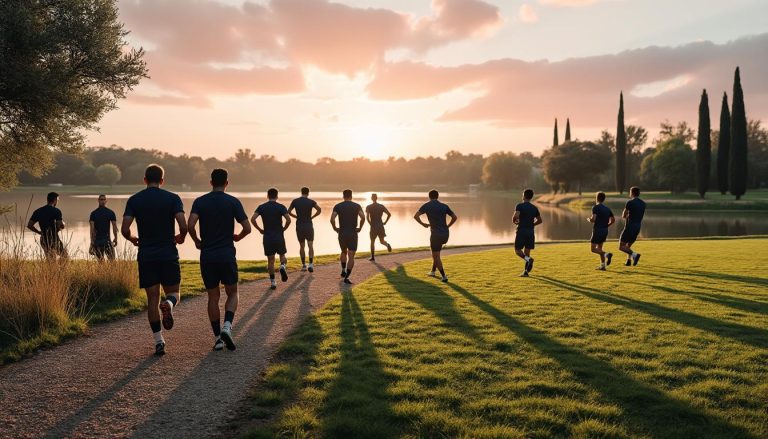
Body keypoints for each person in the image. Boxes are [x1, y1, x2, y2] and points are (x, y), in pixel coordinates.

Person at [121, 164, 187, 356]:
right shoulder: (173, 198)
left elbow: (125, 229)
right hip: (167, 253)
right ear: (162, 180)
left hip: (146, 255)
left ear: (144, 179)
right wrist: (181, 237)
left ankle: (159, 342)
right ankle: (170, 304)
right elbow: (183, 224)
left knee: (152, 299)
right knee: (174, 292)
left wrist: (133, 238)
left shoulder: (134, 200)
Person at [188, 169, 251, 351]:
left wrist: (196, 240)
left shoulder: (200, 202)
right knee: (232, 293)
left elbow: (191, 224)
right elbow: (247, 227)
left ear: (210, 182)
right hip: (226, 254)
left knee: (213, 296)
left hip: (207, 255)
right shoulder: (233, 202)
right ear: (227, 183)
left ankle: (217, 338)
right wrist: (237, 237)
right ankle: (227, 326)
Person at [414, 189, 457, 282]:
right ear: (438, 196)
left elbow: (416, 216)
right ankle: (433, 271)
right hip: (445, 234)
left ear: (429, 197)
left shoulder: (427, 205)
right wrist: (447, 226)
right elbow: (455, 217)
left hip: (435, 234)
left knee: (435, 255)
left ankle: (444, 276)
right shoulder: (444, 206)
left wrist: (423, 224)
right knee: (436, 253)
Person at [252, 188, 291, 290]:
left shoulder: (261, 207)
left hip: (267, 237)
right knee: (282, 255)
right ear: (277, 196)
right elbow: (288, 219)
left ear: (267, 196)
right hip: (279, 236)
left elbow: (252, 219)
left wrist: (260, 229)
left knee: (270, 260)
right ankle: (282, 266)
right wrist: (284, 229)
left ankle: (273, 282)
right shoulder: (281, 207)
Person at [330, 189, 365, 284]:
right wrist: (360, 227)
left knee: (343, 251)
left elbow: (332, 219)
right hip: (353, 233)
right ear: (351, 196)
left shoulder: (338, 206)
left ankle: (343, 270)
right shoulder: (357, 206)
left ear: (343, 196)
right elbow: (363, 217)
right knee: (351, 254)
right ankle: (347, 277)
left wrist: (335, 228)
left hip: (342, 233)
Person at [288, 187, 321, 272]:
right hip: (308, 225)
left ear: (301, 192)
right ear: (308, 193)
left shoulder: (295, 201)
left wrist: (296, 216)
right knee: (310, 245)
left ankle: (303, 265)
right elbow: (319, 210)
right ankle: (310, 264)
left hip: (299, 226)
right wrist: (312, 217)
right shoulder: (311, 202)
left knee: (302, 246)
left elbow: (288, 211)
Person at [513, 188, 542, 277]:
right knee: (527, 252)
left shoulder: (519, 206)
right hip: (530, 232)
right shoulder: (534, 208)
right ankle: (525, 272)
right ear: (531, 197)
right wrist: (532, 224)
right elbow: (540, 220)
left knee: (517, 251)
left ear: (523, 196)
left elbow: (516, 217)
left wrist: (515, 221)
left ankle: (529, 260)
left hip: (521, 231)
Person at [28, 192, 67, 259]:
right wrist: (64, 224)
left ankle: (51, 269)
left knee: (50, 259)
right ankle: (60, 269)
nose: (57, 202)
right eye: (57, 200)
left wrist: (39, 232)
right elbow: (60, 225)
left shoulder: (38, 211)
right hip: (54, 238)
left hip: (43, 238)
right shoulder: (56, 211)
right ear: (55, 200)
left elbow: (30, 225)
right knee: (65, 257)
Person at [587, 192, 615, 270]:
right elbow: (613, 220)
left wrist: (589, 220)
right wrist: (607, 225)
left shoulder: (595, 207)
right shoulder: (607, 209)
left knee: (593, 249)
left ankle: (607, 254)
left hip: (597, 230)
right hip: (605, 231)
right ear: (603, 199)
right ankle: (603, 266)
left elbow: (593, 219)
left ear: (597, 198)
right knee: (599, 249)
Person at [619, 186, 646, 266]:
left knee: (621, 246)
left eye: (630, 192)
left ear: (632, 193)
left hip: (629, 227)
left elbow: (624, 215)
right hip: (637, 227)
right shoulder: (643, 203)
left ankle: (635, 255)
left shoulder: (630, 202)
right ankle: (628, 261)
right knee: (628, 246)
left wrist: (627, 216)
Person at [89, 194, 118, 260]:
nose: (103, 201)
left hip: (106, 240)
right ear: (98, 201)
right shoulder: (93, 214)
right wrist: (92, 242)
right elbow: (92, 230)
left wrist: (116, 238)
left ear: (106, 201)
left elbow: (114, 227)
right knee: (108, 261)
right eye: (101, 199)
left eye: (104, 199)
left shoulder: (110, 213)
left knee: (110, 262)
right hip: (100, 241)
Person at [365, 193, 392, 261]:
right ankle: (387, 245)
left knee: (372, 242)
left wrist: (370, 224)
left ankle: (373, 257)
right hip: (380, 226)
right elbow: (389, 214)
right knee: (382, 241)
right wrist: (385, 222)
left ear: (371, 198)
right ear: (376, 198)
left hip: (373, 226)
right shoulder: (381, 206)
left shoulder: (368, 207)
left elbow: (367, 217)